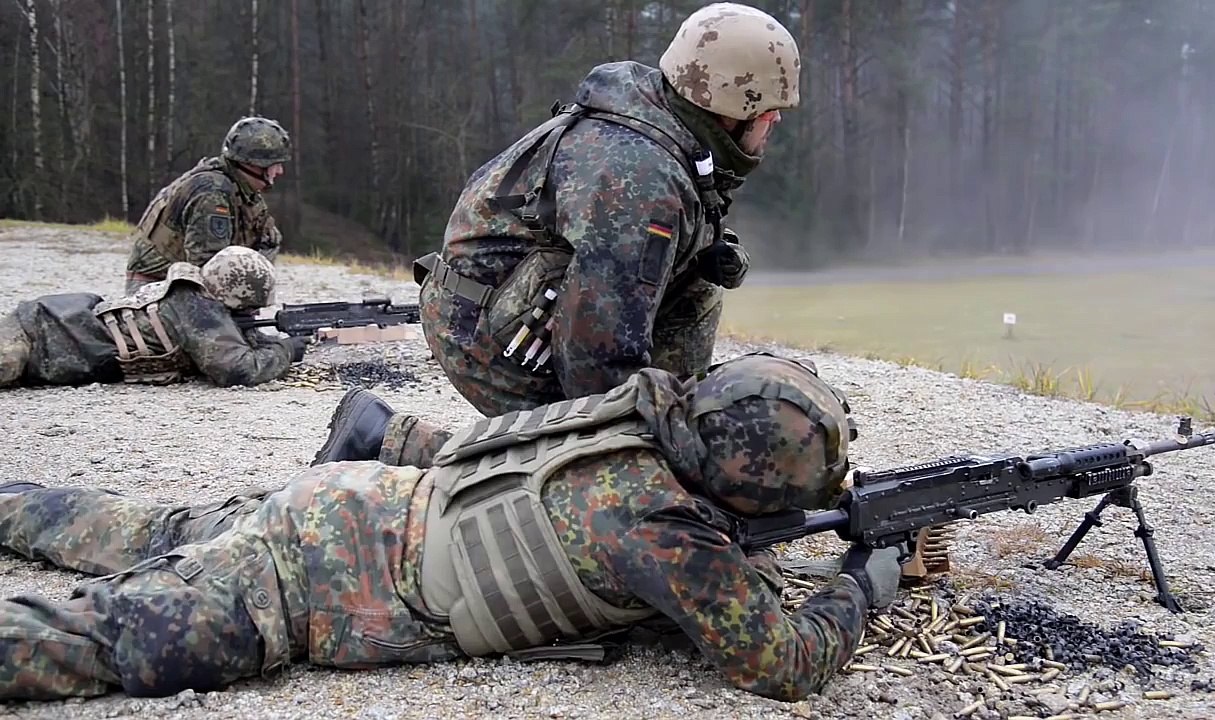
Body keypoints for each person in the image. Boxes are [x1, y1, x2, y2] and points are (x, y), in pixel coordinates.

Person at [0, 353, 902, 702]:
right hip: (299, 588)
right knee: (91, 641)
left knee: (132, 528)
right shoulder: (662, 529)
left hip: (346, 500)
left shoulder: (640, 414)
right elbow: (784, 662)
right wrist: (862, 584)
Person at [413, 2, 800, 416]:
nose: (775, 119)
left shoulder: (665, 125)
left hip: (506, 304)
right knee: (623, 463)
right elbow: (597, 362)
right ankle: (396, 441)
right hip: (483, 335)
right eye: (767, 109)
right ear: (732, 108)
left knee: (698, 286)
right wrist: (635, 431)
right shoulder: (644, 181)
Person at [0, 246, 306, 389]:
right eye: (250, 308)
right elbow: (236, 369)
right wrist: (286, 351)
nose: (253, 315)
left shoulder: (202, 299)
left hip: (51, 334)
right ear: (234, 296)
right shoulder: (196, 307)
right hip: (38, 331)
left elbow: (234, 343)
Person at [124, 116, 292, 293]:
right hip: (159, 290)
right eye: (275, 164)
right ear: (256, 164)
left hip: (185, 286)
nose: (280, 171)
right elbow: (208, 265)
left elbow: (265, 242)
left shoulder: (241, 188)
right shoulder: (212, 193)